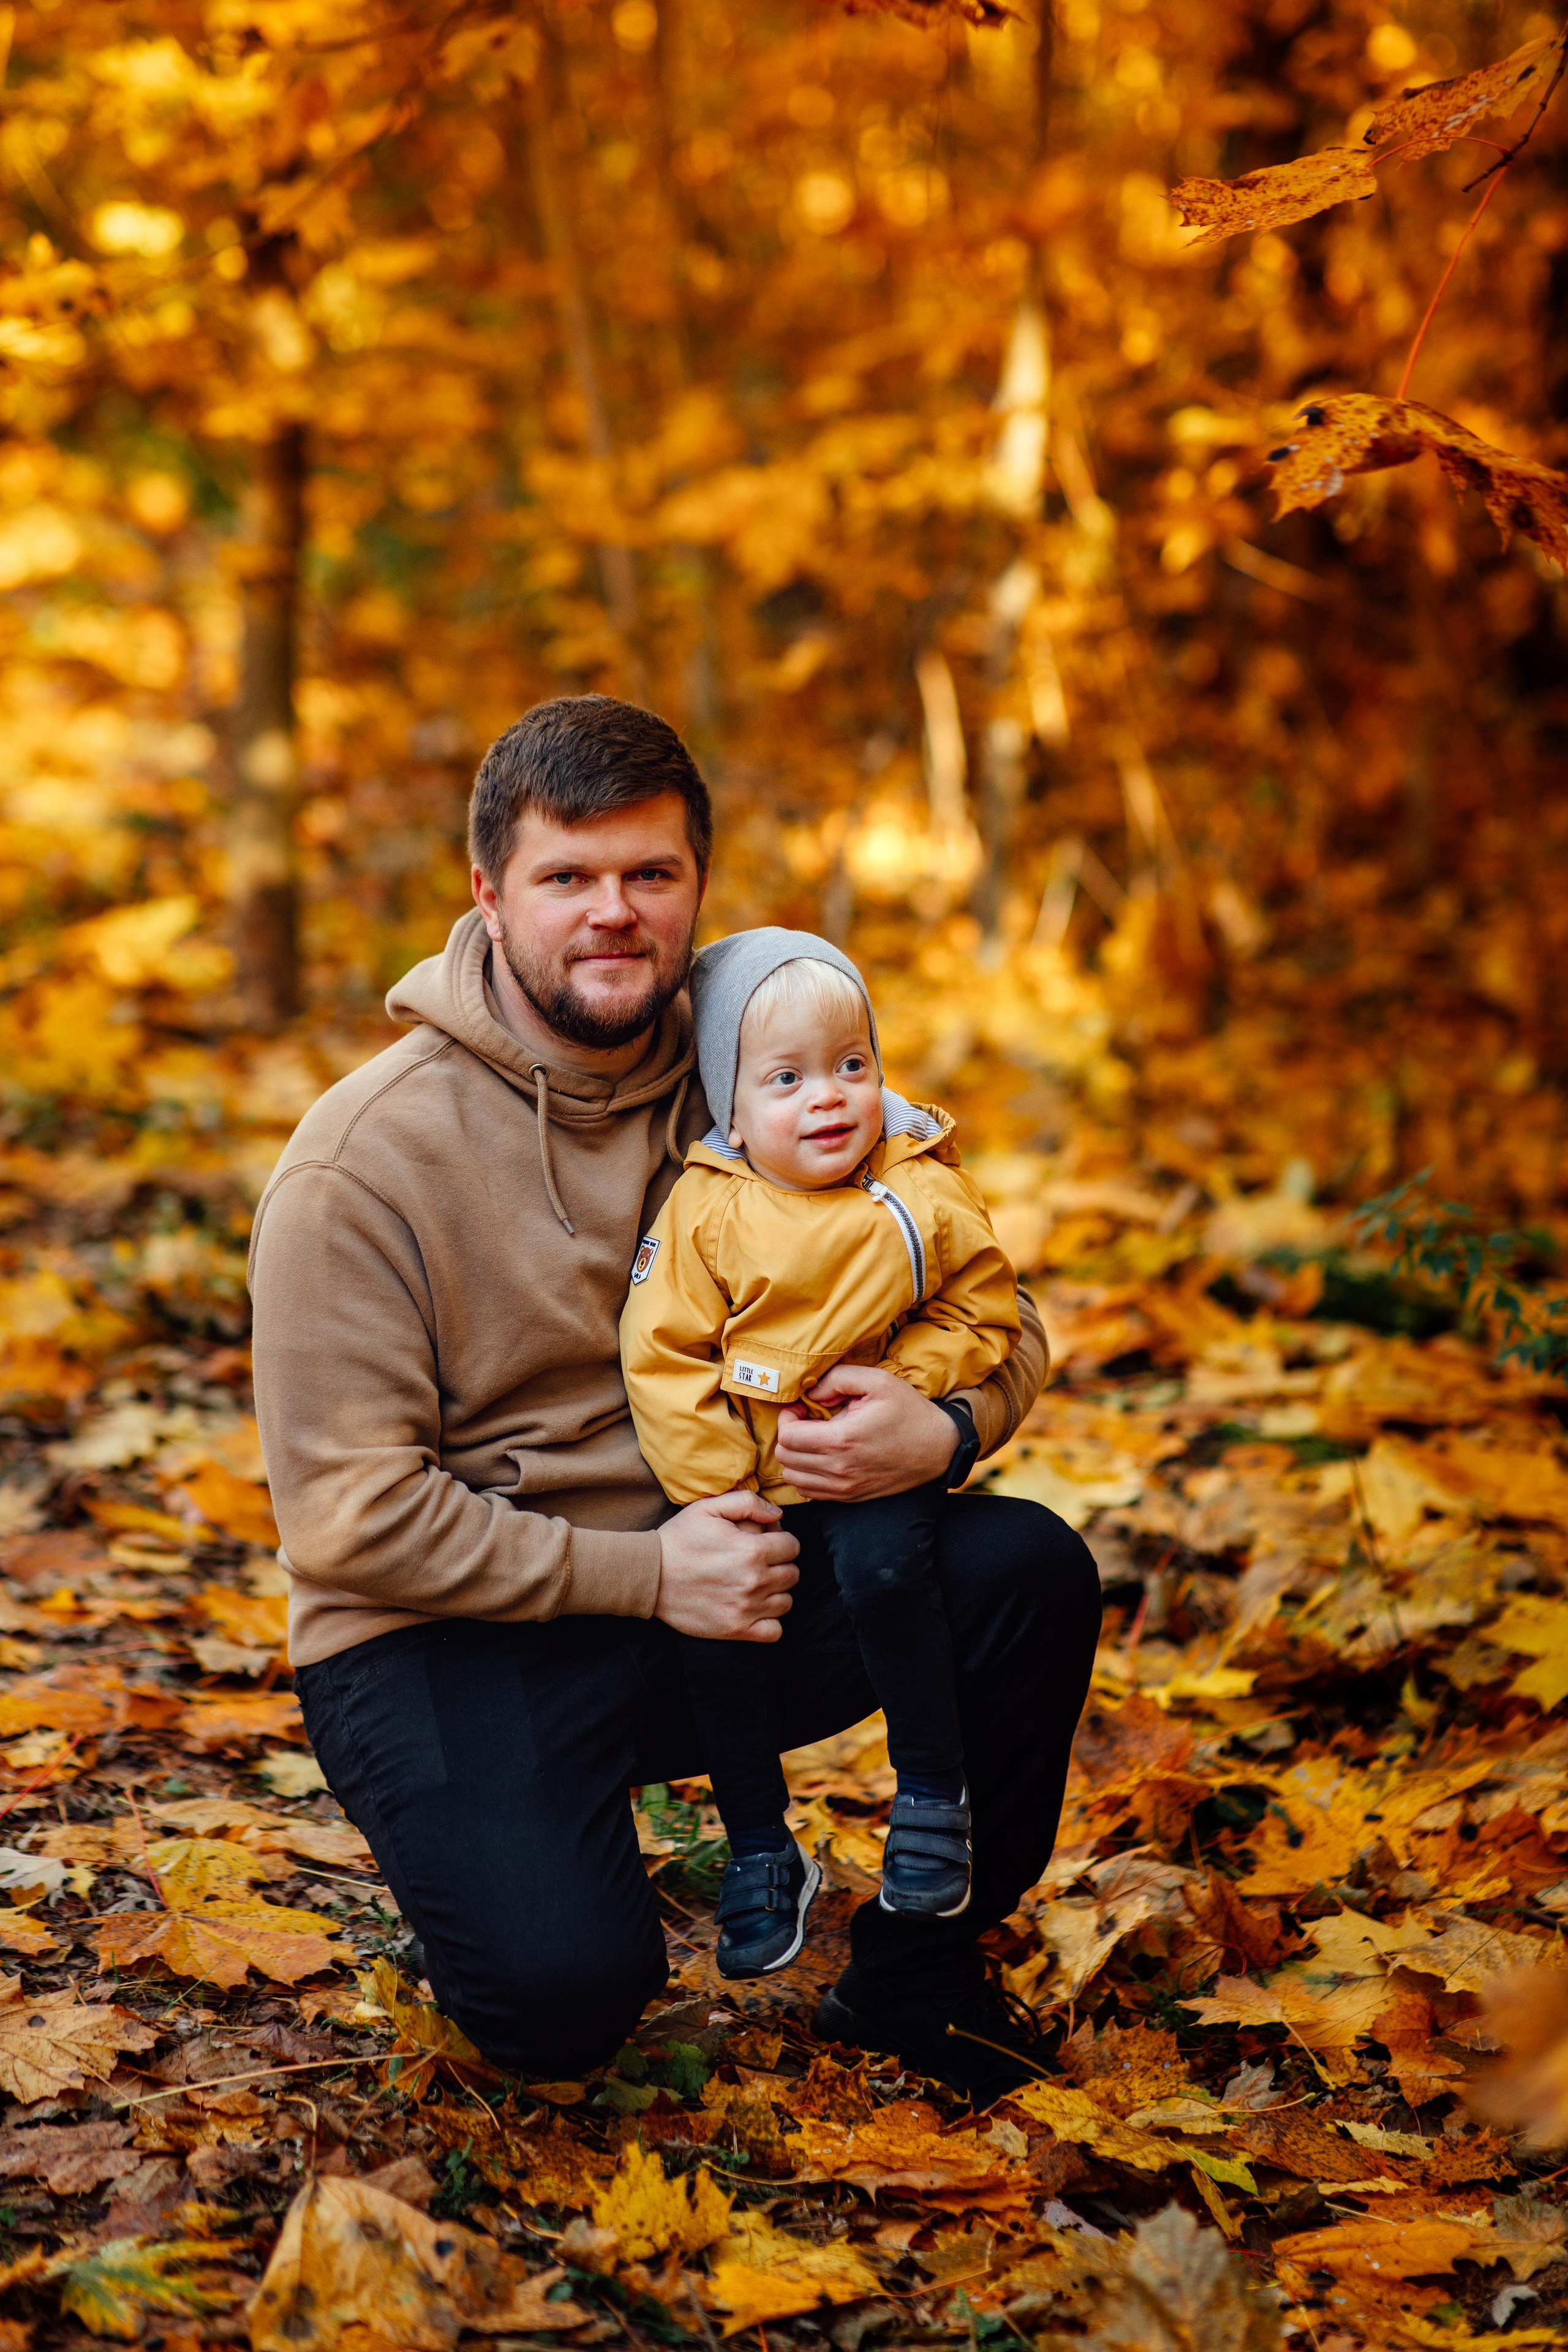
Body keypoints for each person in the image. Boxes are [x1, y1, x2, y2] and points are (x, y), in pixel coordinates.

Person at [247, 693, 1100, 2102]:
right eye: (566, 877)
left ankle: (917, 1964)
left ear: (697, 882)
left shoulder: (767, 1070)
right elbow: (348, 1521)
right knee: (561, 2003)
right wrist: (644, 1578)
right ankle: (518, 1869)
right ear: (486, 892)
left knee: (1023, 1570)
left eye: (651, 874)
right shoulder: (361, 1165)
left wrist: (941, 1427)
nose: (613, 914)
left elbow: (987, 1304)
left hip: (729, 1583)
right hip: (448, 1630)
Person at [622, 931, 1022, 1977]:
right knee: (719, 1632)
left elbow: (986, 1310)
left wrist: (916, 1391)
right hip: (746, 1477)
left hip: (869, 1460)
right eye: (788, 1080)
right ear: (734, 1109)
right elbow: (663, 1355)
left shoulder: (921, 1185)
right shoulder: (708, 1208)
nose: (830, 1099)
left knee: (894, 1570)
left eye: (853, 1066)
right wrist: (715, 1490)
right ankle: (759, 1842)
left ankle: (933, 1793)